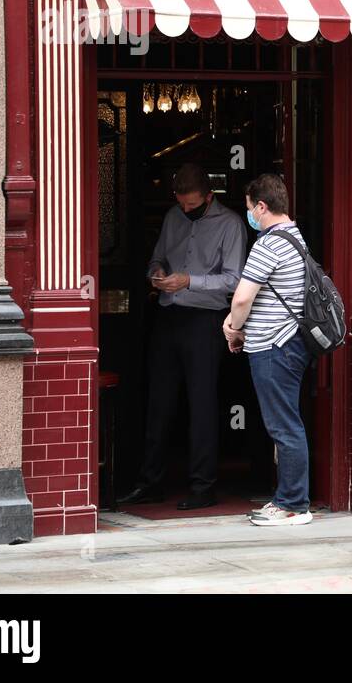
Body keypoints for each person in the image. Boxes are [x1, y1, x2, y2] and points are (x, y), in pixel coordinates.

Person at [120, 164, 246, 510]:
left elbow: (236, 280)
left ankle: (203, 486)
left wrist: (189, 280)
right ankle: (150, 482)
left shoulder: (231, 224)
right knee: (158, 401)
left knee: (202, 403)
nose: (186, 211)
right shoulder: (174, 216)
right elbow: (157, 257)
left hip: (206, 321)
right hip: (168, 314)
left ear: (209, 196)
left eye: (193, 205)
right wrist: (156, 272)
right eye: (181, 204)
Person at [222, 173, 314, 527]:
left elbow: (244, 296)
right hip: (286, 343)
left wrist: (233, 327)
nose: (249, 216)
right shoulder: (295, 237)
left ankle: (293, 503)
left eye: (249, 208)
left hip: (275, 347)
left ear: (261, 206)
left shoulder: (269, 243)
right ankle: (290, 499)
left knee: (283, 424)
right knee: (286, 421)